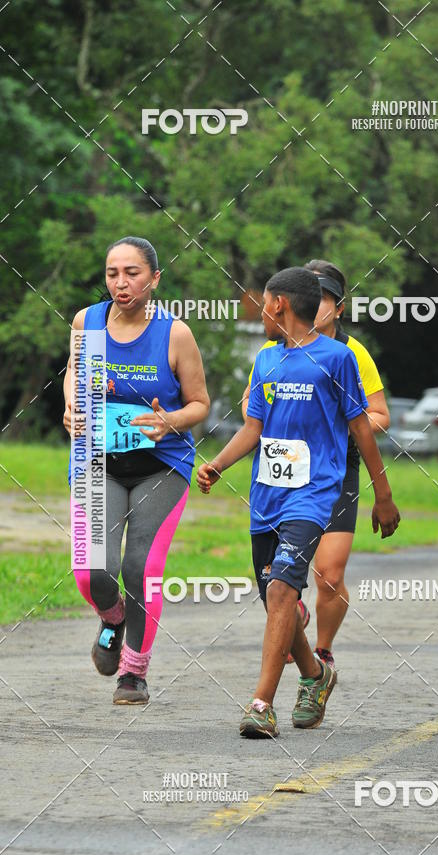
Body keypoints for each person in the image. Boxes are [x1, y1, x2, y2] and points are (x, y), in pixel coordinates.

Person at [197, 266, 399, 738]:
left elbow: (361, 428)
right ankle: (314, 673)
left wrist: (382, 494)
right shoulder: (266, 361)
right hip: (267, 494)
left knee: (284, 591)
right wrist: (218, 465)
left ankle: (260, 704)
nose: (262, 311)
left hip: (314, 494)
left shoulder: (337, 358)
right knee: (274, 598)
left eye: (265, 302)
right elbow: (253, 428)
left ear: (280, 305)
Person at [63, 236, 210, 704]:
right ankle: (112, 618)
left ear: (154, 279)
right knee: (90, 571)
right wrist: (71, 405)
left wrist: (170, 420)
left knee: (139, 566)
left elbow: (200, 404)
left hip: (159, 467)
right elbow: (73, 372)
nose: (121, 283)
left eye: (132, 273)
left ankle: (133, 671)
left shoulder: (175, 333)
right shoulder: (87, 321)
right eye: (112, 274)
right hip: (96, 461)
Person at [242, 259, 390, 668]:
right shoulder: (273, 350)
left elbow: (377, 416)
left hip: (336, 467)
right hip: (282, 470)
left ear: (339, 308)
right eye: (316, 296)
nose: (320, 305)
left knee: (329, 573)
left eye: (328, 298)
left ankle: (322, 651)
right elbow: (251, 408)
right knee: (277, 582)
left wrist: (333, 428)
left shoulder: (350, 353)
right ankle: (296, 620)